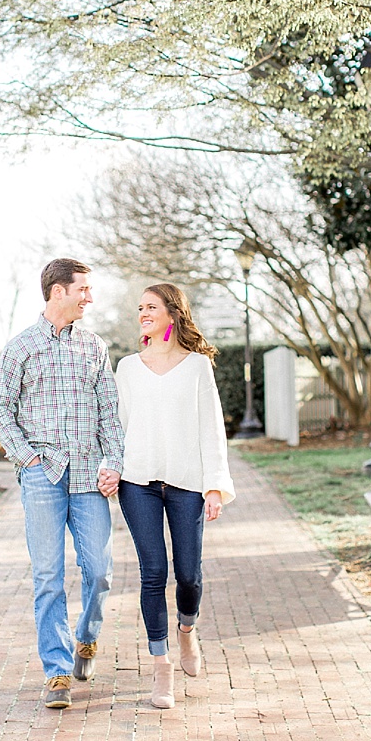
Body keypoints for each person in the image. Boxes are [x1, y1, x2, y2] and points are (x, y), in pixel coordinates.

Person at [0, 258, 124, 710]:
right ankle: (57, 672)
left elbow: (109, 412)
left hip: (89, 476)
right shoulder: (21, 347)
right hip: (42, 477)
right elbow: (0, 410)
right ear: (58, 292)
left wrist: (115, 461)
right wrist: (27, 460)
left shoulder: (94, 347)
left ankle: (86, 638)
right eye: (83, 289)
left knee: (100, 572)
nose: (90, 296)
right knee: (48, 577)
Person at [110, 283, 235, 710]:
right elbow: (116, 427)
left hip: (187, 483)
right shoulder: (127, 367)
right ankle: (161, 668)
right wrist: (111, 468)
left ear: (172, 312)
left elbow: (211, 428)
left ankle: (187, 630)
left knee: (188, 574)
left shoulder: (197, 366)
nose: (143, 313)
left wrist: (215, 484)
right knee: (152, 573)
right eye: (139, 307)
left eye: (151, 307)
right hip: (137, 483)